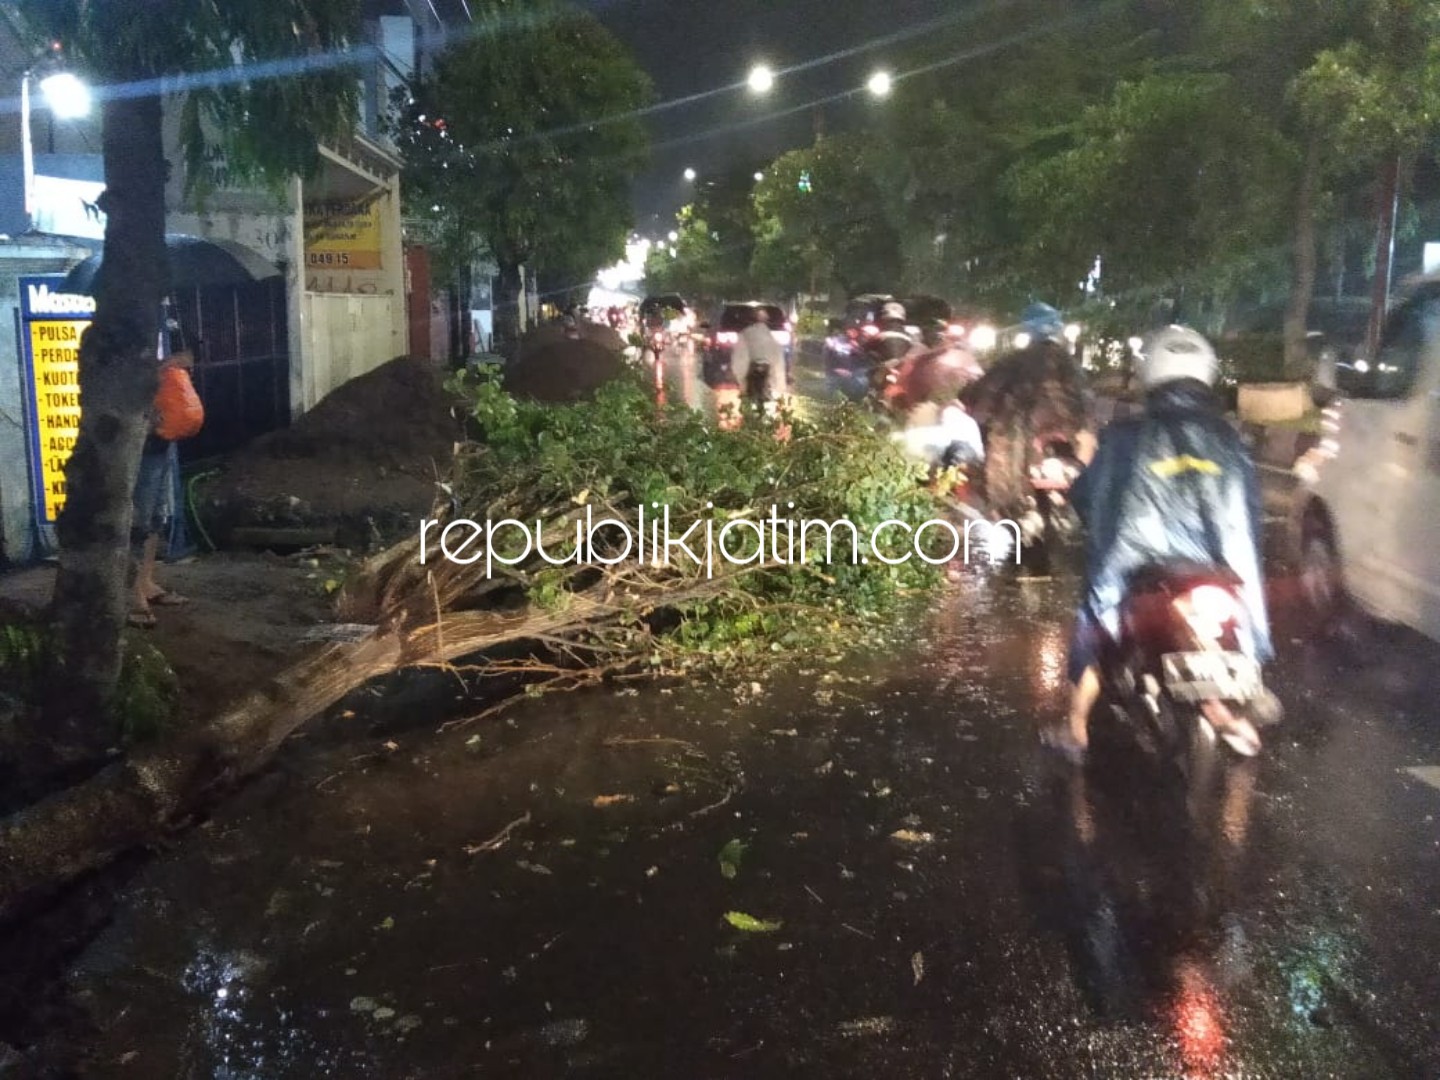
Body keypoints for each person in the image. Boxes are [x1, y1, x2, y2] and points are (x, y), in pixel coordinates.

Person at [1052, 325, 1278, 762]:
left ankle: (1076, 726)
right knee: (1244, 605)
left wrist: (1078, 500)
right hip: (1219, 568)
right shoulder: (1232, 441)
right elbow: (1252, 515)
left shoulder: (1123, 437)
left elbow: (1088, 494)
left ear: (1150, 372)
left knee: (1100, 620)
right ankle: (1240, 700)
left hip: (1138, 564)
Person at [962, 302, 1094, 524]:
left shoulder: (1013, 362)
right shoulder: (1071, 366)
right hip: (1068, 449)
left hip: (1018, 450)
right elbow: (1087, 406)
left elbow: (980, 394)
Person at [128, 333, 194, 628]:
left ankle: (146, 582)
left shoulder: (153, 336)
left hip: (158, 441)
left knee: (156, 517)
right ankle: (132, 596)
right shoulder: (115, 340)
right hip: (135, 445)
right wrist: (165, 366)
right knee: (138, 521)